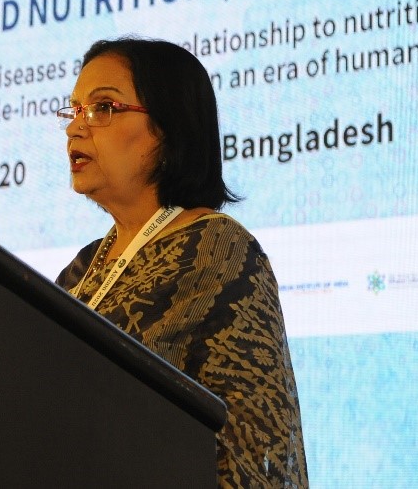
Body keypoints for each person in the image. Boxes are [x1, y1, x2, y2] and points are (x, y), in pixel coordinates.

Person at [55, 37, 308, 488]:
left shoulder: (219, 251)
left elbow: (257, 440)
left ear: (168, 128)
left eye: (103, 108)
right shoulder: (83, 268)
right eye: (73, 111)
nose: (76, 128)